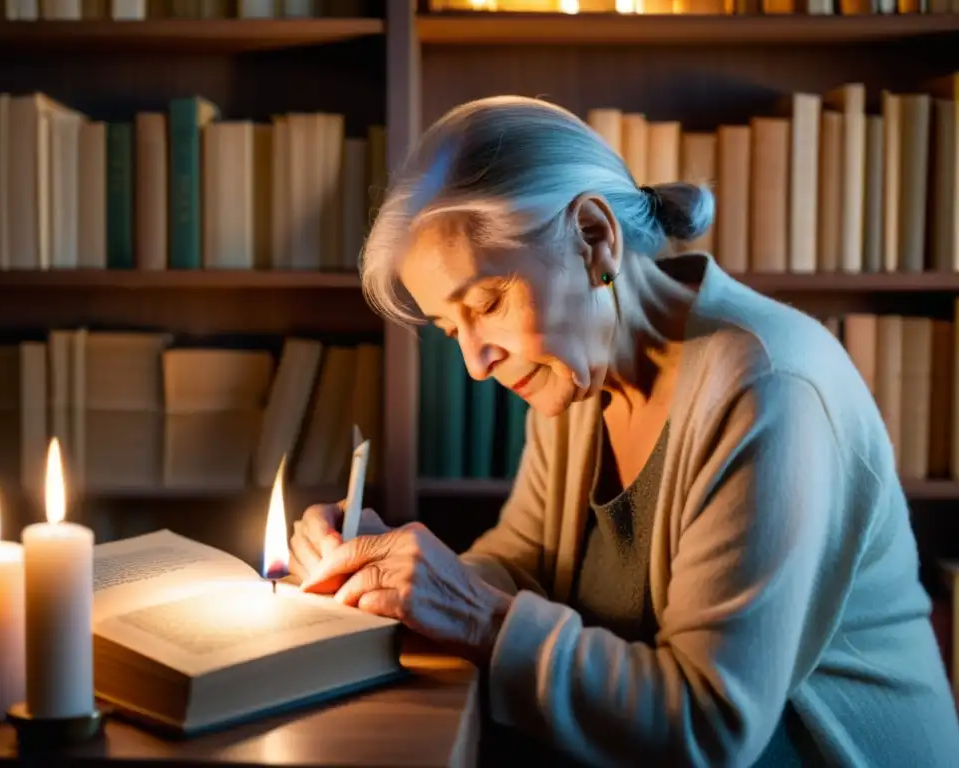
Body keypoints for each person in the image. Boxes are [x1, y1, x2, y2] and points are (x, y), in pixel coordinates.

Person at [289, 95, 959, 766]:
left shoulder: (770, 387)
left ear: (593, 239)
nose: (476, 363)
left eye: (487, 304)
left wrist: (474, 614)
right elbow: (525, 564)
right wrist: (393, 574)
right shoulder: (579, 376)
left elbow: (708, 725)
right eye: (450, 328)